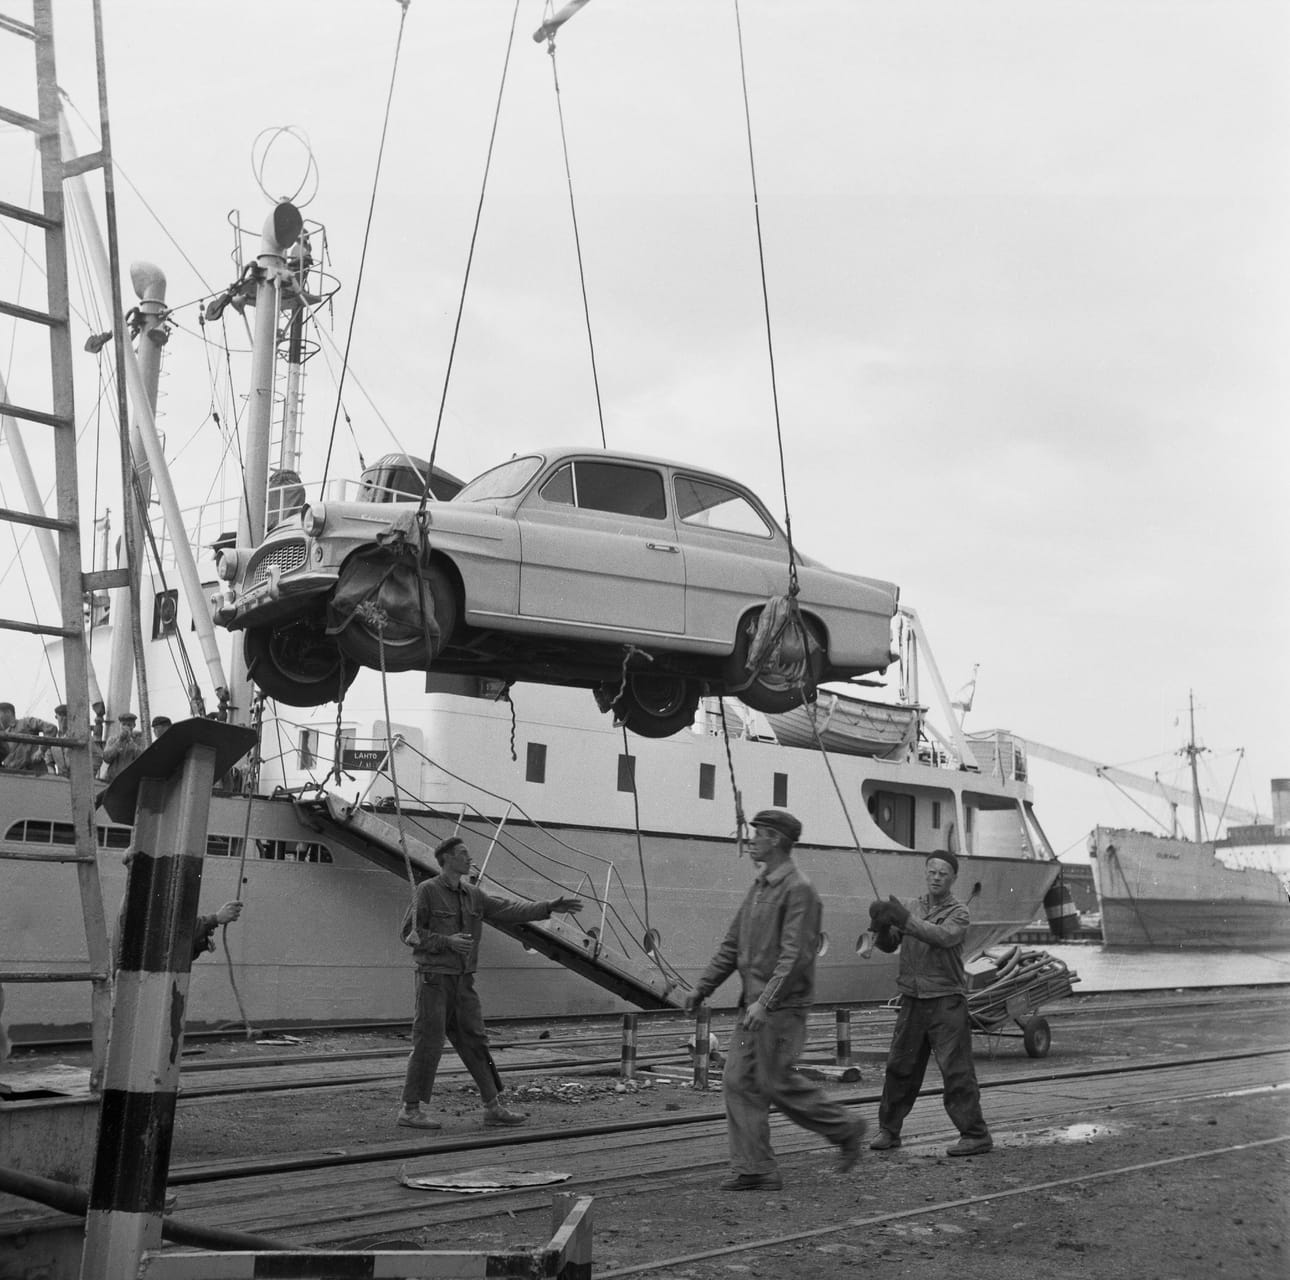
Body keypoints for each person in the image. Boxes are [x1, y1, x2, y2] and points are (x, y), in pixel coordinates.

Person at [684, 808, 866, 1190]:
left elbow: (795, 957)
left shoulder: (798, 890)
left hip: (780, 1008)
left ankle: (847, 1128)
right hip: (754, 1006)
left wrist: (765, 1002)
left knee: (774, 1082)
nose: (752, 840)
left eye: (760, 833)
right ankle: (756, 1168)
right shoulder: (761, 886)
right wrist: (702, 988)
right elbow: (733, 945)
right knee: (737, 1081)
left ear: (777, 840)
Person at [397, 835, 584, 1130]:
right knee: (428, 1042)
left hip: (463, 982)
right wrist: (447, 942)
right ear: (446, 859)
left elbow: (509, 909)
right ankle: (410, 1109)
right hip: (434, 980)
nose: (469, 858)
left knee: (477, 1041)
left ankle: (492, 1106)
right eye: (463, 854)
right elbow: (409, 933)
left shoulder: (473, 894)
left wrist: (548, 906)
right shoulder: (427, 891)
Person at [867, 850, 993, 1157]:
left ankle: (975, 1135)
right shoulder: (910, 907)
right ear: (926, 873)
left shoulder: (959, 912)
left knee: (956, 1070)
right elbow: (889, 945)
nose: (936, 877)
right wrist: (881, 925)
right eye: (932, 872)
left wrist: (904, 919)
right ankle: (889, 1130)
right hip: (912, 1000)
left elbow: (941, 937)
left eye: (943, 874)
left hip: (946, 1001)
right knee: (900, 1067)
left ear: (953, 879)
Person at [0, 702, 59, 775]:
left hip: (34, 774)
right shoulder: (3, 734)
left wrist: (41, 751)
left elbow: (51, 728)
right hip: (14, 776)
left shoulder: (27, 722)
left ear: (8, 712)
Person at [100, 712, 142, 782]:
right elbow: (106, 758)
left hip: (129, 781)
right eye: (123, 724)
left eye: (129, 725)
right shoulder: (112, 740)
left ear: (134, 726)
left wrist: (131, 743)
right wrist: (119, 741)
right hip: (112, 780)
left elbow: (141, 760)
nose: (126, 727)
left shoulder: (138, 741)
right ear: (120, 725)